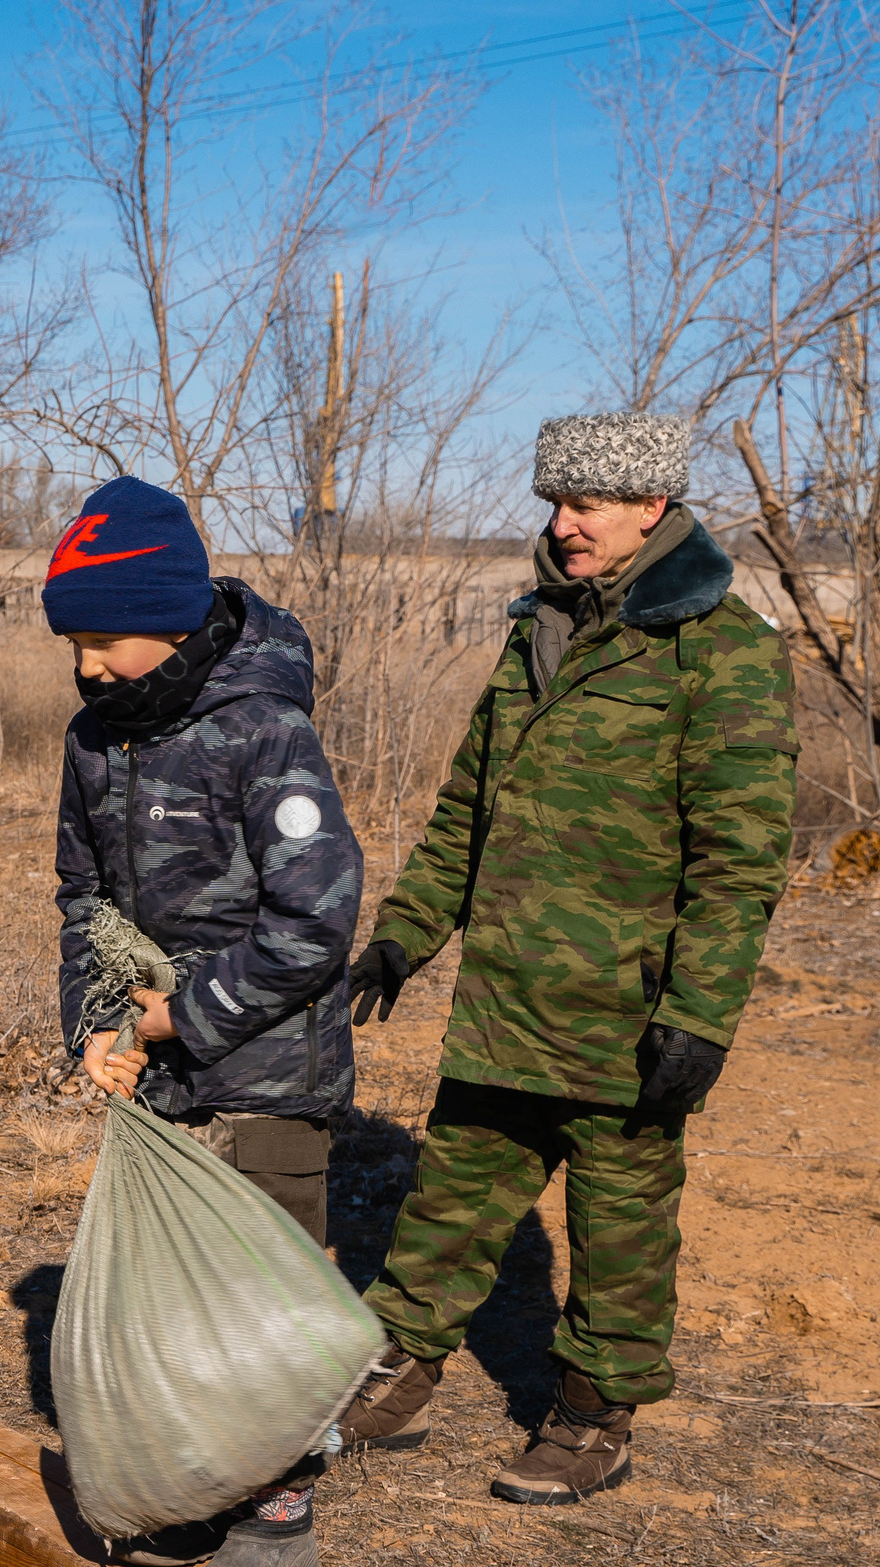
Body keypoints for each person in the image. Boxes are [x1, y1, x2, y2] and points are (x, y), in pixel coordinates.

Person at [335, 412, 797, 1506]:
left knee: (620, 1223)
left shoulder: (723, 652)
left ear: (651, 508)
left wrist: (700, 1014)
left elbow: (739, 861)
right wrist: (408, 931)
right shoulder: (534, 631)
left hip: (622, 1013)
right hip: (506, 996)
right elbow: (467, 811)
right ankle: (397, 1364)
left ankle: (595, 1413)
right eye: (556, 501)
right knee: (449, 1193)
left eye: (585, 503)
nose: (563, 523)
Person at [46, 475, 362, 1567]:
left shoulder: (263, 728)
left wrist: (190, 1014)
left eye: (101, 639)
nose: (85, 666)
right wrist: (95, 1021)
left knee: (261, 1288)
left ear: (173, 618)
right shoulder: (96, 737)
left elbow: (320, 915)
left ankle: (277, 1512)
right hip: (160, 1061)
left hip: (270, 1063)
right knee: (180, 1295)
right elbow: (83, 897)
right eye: (71, 643)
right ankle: (201, 1475)